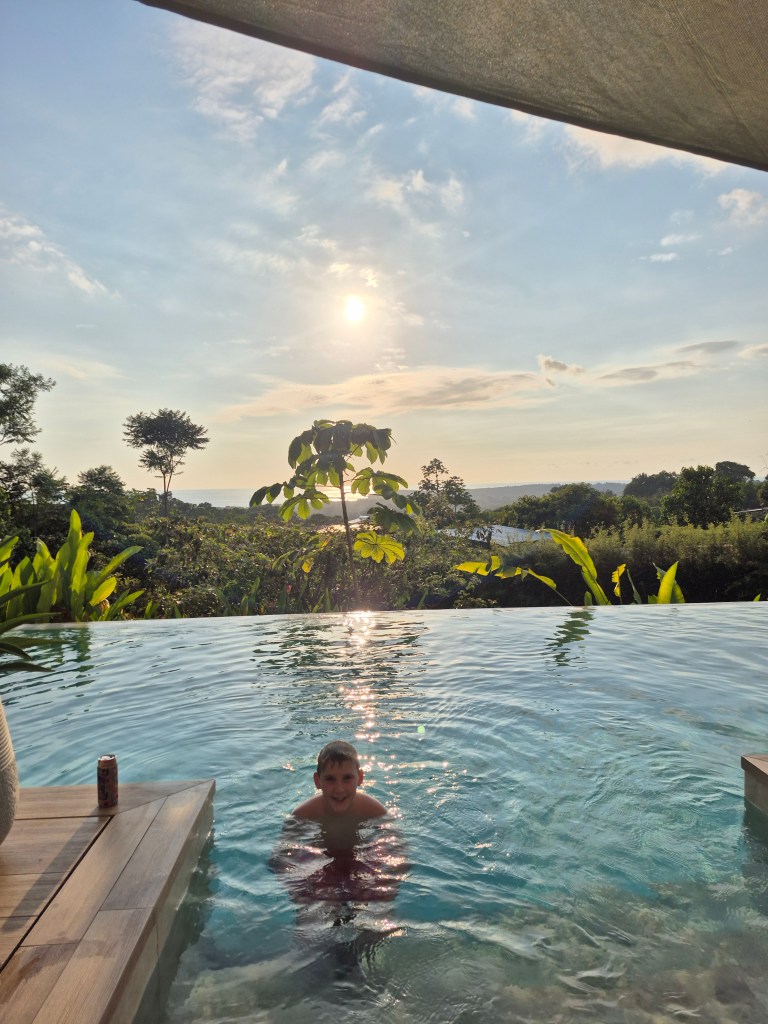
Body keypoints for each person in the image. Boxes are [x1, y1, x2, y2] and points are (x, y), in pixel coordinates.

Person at [292, 740, 388, 823]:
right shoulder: (302, 815)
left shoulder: (374, 811)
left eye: (347, 778)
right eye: (330, 779)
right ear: (317, 781)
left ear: (360, 778)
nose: (339, 789)